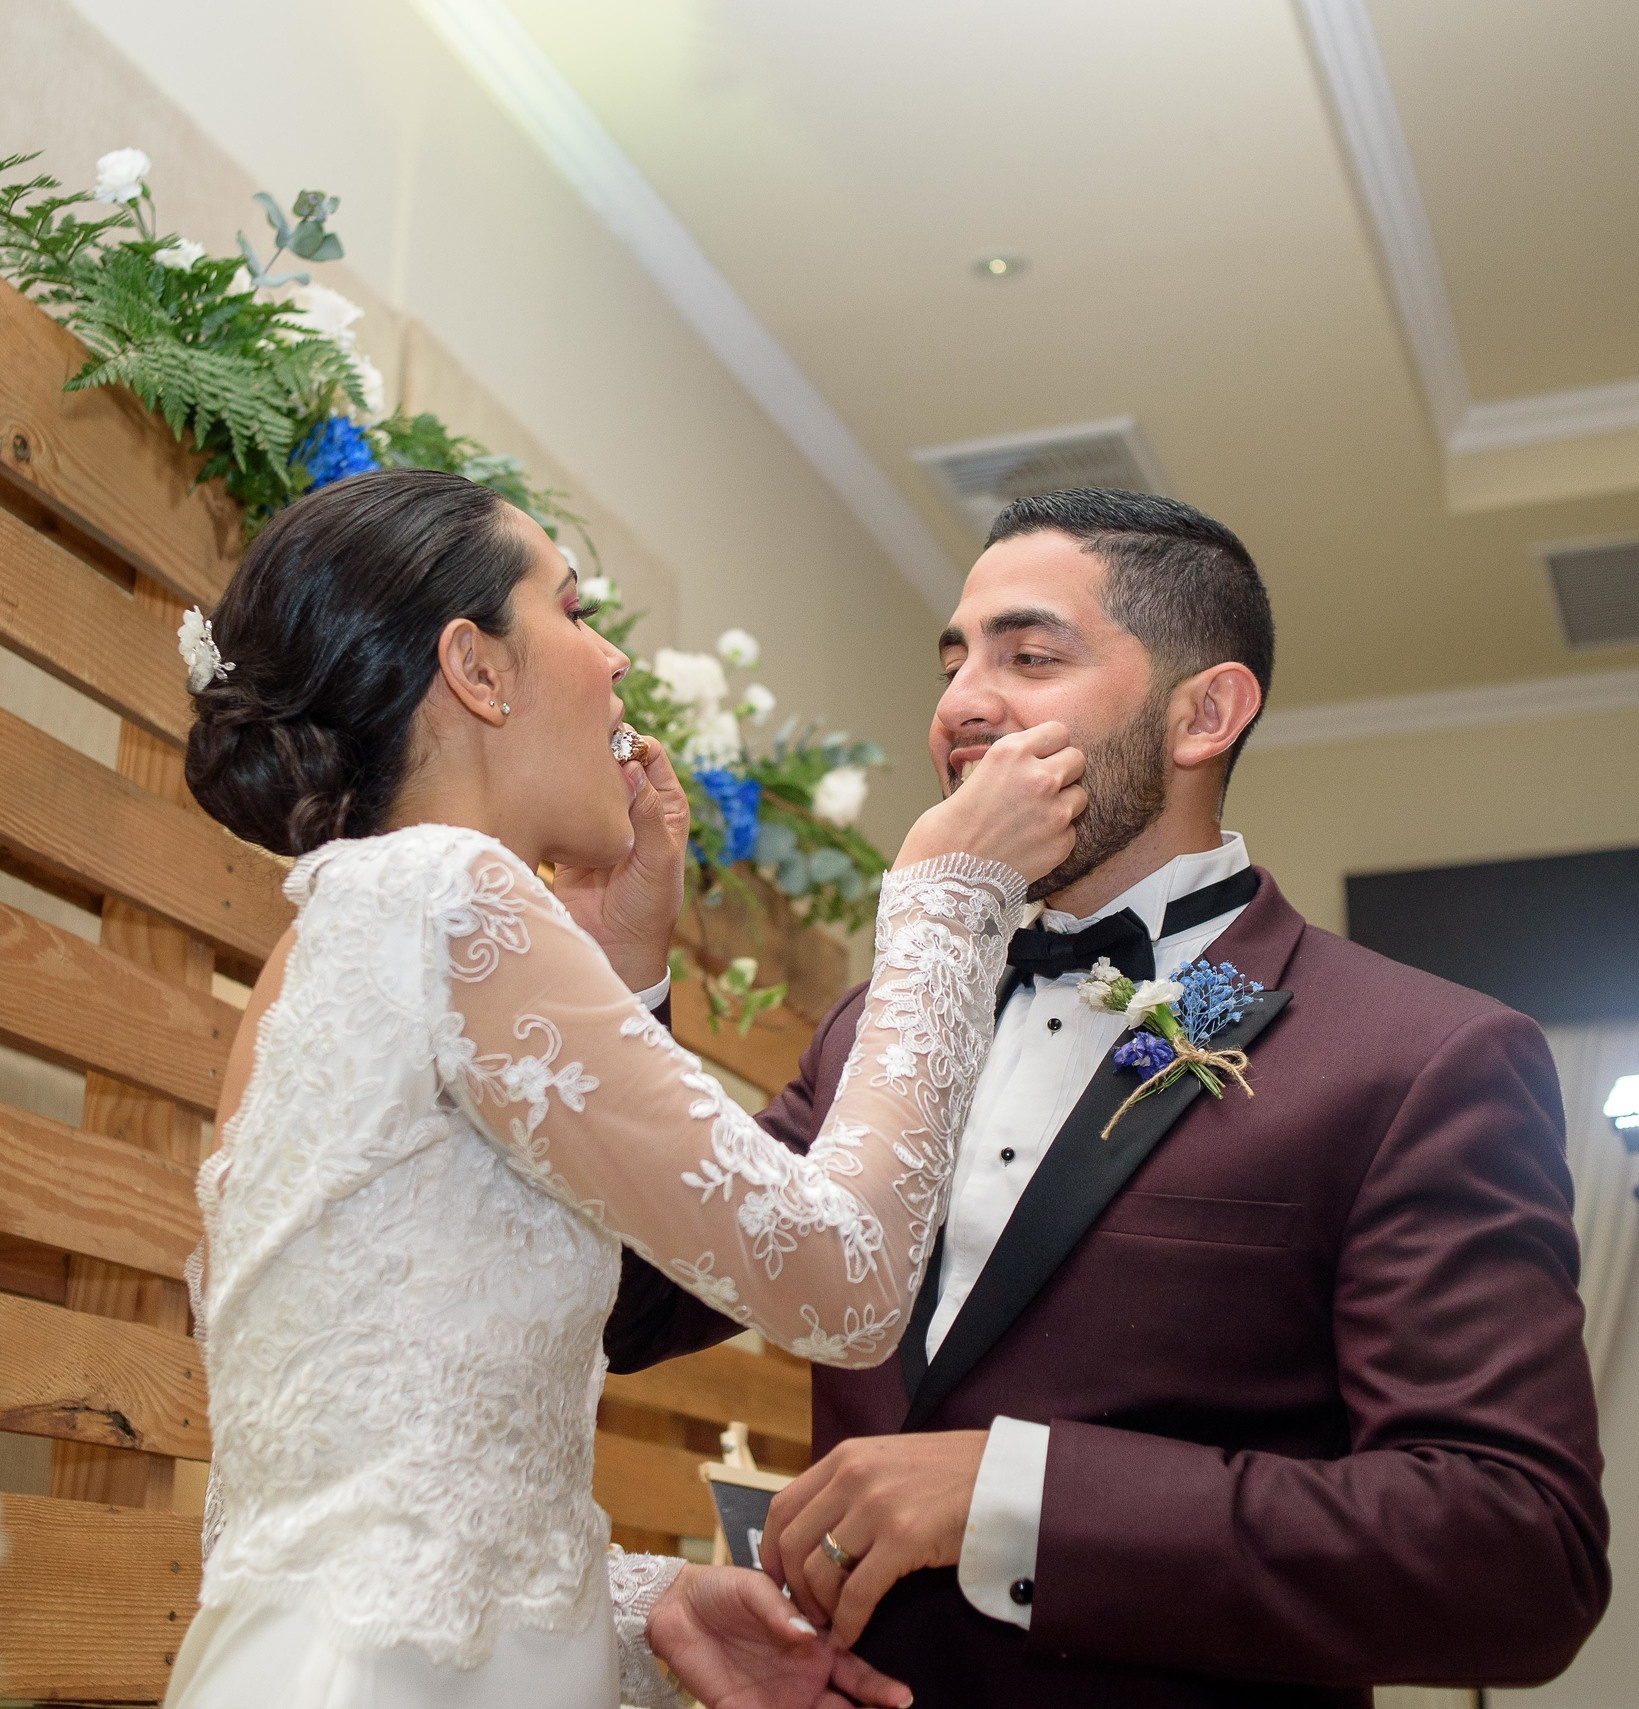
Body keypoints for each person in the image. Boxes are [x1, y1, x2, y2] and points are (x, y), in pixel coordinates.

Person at [607, 489, 1611, 1706]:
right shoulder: (881, 1027)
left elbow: (1514, 1552)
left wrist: (1010, 1495)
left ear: (1204, 713)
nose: (961, 702)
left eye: (1029, 656)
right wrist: (625, 960)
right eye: (953, 661)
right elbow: (631, 1305)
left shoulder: (1417, 1056)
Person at [163, 467, 1090, 1709]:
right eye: (574, 610)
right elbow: (847, 1280)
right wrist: (947, 896)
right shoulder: (444, 892)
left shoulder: (330, 941)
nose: (613, 662)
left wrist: (645, 1602)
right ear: (475, 668)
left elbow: (374, 1480)